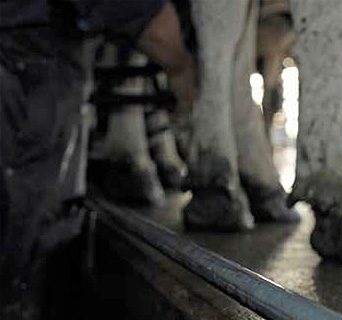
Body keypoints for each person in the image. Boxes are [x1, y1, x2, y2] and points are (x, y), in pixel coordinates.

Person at [0, 0, 196, 318]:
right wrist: (182, 66)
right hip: (31, 58)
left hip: (26, 50)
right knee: (30, 226)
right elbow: (147, 22)